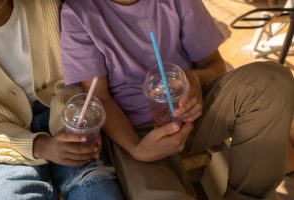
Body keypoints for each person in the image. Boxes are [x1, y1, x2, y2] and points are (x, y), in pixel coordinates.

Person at [60, 0, 294, 199]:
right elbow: (99, 97)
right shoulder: (79, 12)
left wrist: (194, 78)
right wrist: (137, 148)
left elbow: (215, 66)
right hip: (135, 132)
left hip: (194, 112)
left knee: (272, 81)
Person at [0, 0, 124, 199]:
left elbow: (75, 78)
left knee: (96, 188)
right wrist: (40, 146)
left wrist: (79, 124)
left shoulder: (47, 4)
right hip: (3, 144)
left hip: (66, 117)